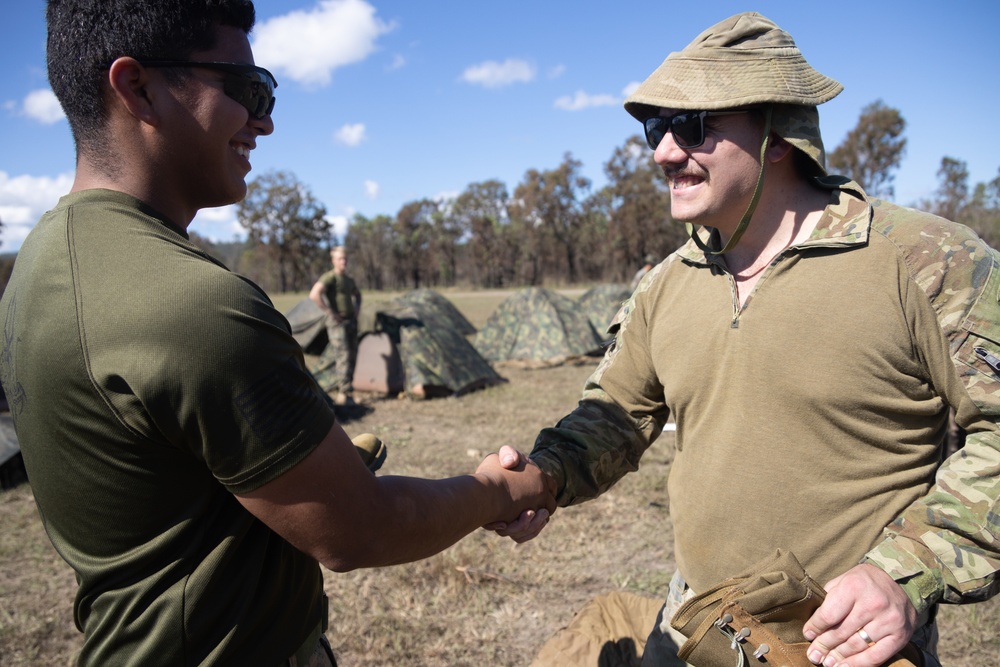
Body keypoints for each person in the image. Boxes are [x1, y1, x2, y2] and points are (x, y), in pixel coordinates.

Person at [0, 1, 554, 665]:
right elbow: (359, 530)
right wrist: (495, 488)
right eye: (244, 89)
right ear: (137, 86)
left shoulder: (37, 265)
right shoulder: (193, 307)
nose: (264, 119)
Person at [492, 12, 1000, 667]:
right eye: (657, 127)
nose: (663, 152)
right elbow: (614, 415)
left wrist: (907, 568)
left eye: (693, 126)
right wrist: (545, 472)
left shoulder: (925, 259)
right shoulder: (667, 283)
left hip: (837, 645)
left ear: (778, 134)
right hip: (697, 627)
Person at [310, 246, 361, 404]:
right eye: (340, 259)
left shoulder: (348, 280)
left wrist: (356, 309)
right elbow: (314, 294)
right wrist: (330, 312)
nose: (343, 262)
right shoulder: (330, 277)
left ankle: (348, 390)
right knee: (343, 355)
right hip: (337, 323)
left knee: (352, 355)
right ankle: (343, 393)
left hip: (350, 321)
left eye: (345, 259)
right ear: (334, 261)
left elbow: (358, 295)